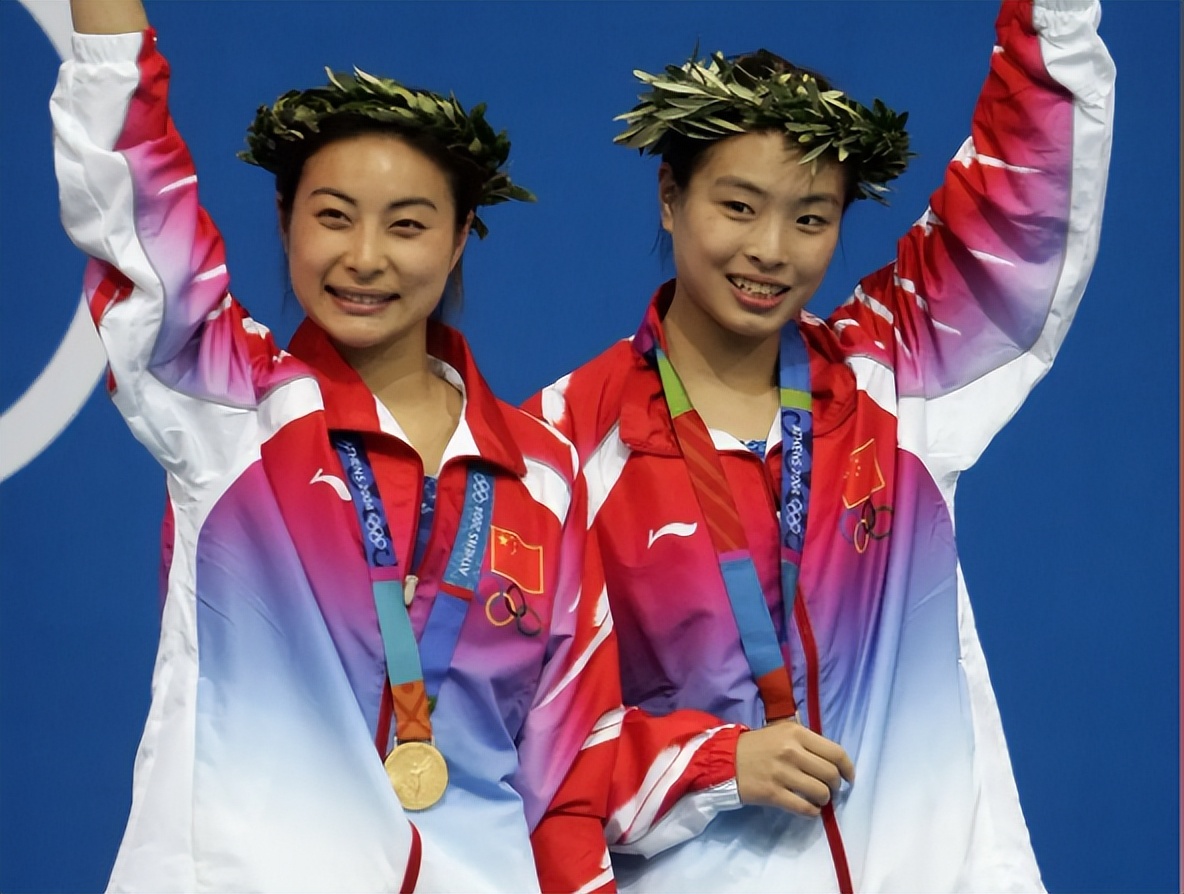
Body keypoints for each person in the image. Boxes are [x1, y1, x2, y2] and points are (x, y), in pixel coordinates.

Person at [49, 0, 745, 890]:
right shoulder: (233, 408)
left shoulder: (542, 475)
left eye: (408, 225)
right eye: (334, 216)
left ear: (459, 239)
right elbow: (135, 212)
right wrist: (110, 39)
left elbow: (567, 772)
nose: (366, 257)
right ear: (285, 219)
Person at [527, 0, 1115, 890]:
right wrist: (714, 760)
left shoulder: (893, 376)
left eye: (811, 218)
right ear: (670, 195)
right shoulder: (560, 446)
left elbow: (1019, 205)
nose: (770, 250)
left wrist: (1054, 18)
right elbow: (527, 745)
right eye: (738, 206)